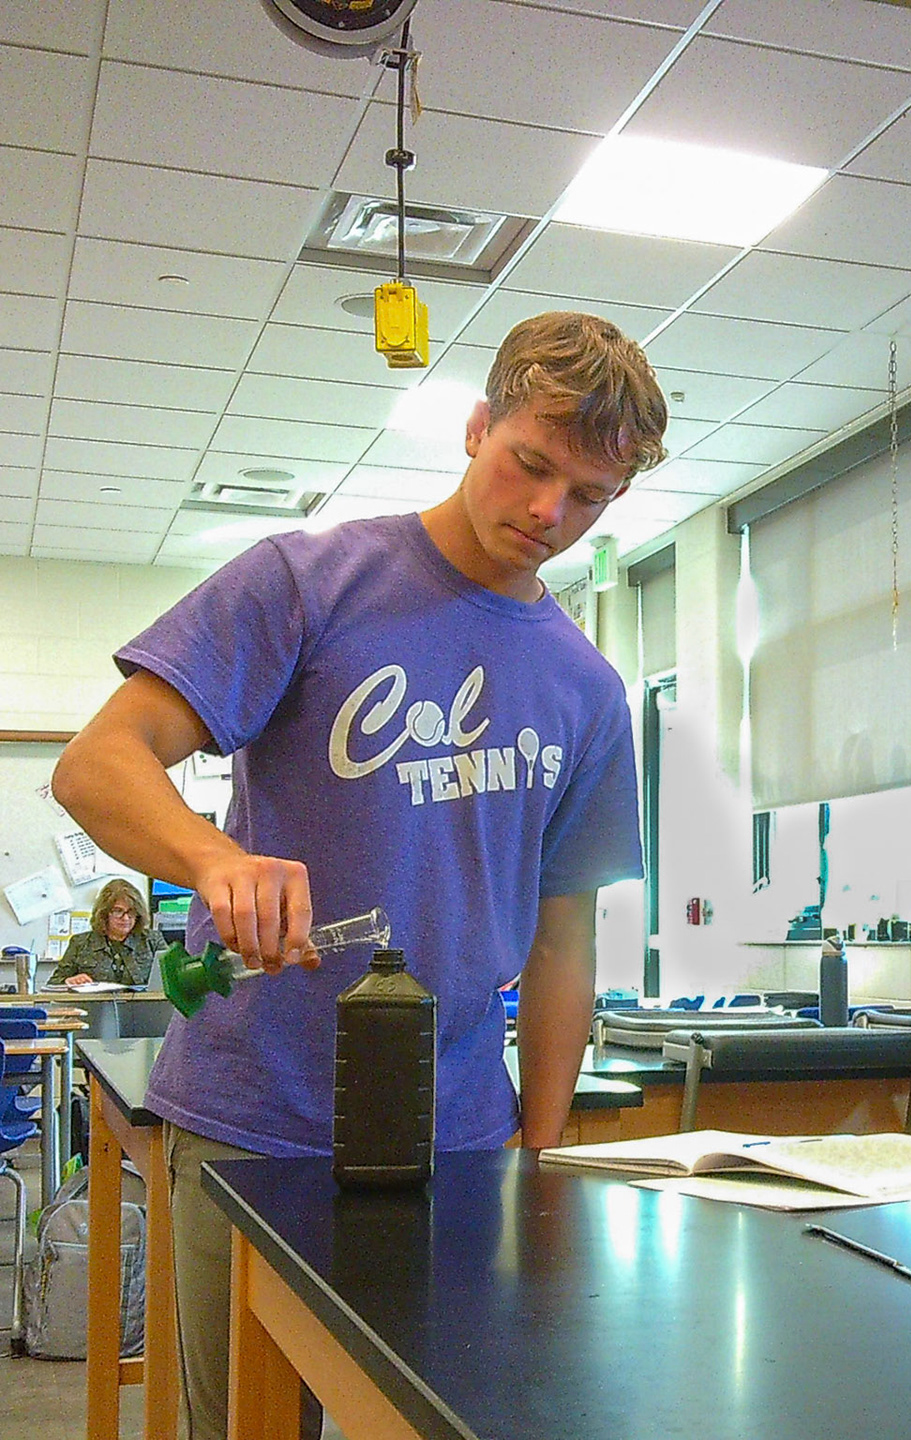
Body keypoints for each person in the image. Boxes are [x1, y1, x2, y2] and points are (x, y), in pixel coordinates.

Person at [52, 310, 669, 1439]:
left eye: (590, 497)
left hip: (458, 1143)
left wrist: (541, 1153)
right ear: (477, 426)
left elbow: (563, 939)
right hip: (256, 1123)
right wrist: (214, 859)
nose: (549, 512)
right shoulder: (306, 583)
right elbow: (97, 764)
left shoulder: (587, 691)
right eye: (531, 464)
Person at [50, 877, 162, 987]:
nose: (126, 918)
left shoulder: (152, 940)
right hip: (94, 1000)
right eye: (118, 911)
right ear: (104, 914)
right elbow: (53, 983)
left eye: (131, 911)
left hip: (144, 1000)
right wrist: (69, 981)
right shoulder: (80, 943)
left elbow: (169, 978)